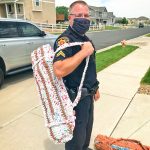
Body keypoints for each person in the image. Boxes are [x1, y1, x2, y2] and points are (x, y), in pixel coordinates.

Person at [53, 1, 100, 150]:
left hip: (87, 95)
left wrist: (95, 87)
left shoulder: (85, 38)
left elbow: (89, 67)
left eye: (86, 15)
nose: (84, 19)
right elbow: (59, 70)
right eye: (79, 15)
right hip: (74, 100)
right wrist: (83, 52)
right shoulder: (65, 40)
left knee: (86, 132)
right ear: (70, 17)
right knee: (76, 139)